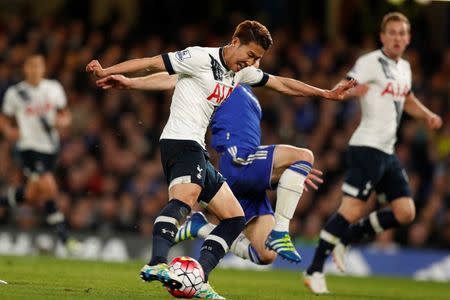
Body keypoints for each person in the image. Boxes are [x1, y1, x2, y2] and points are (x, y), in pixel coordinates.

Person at [87, 20, 355, 299]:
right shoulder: (199, 56)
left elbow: (280, 83)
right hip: (180, 142)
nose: (252, 62)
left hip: (197, 147)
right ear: (235, 42)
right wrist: (110, 70)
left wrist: (323, 93)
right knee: (184, 200)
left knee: (234, 217)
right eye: (251, 55)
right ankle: (156, 262)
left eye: (258, 59)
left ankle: (199, 277)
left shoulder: (239, 74)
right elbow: (155, 63)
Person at [304, 12, 443, 294]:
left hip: (387, 152)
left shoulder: (404, 67)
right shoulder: (370, 62)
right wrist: (348, 90)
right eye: (391, 32)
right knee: (352, 208)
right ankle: (314, 269)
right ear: (382, 37)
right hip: (366, 147)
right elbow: (349, 83)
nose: (397, 38)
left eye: (402, 33)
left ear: (408, 38)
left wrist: (427, 115)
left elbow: (407, 98)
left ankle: (347, 238)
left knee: (405, 212)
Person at [0, 54, 80, 254]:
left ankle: (3, 200)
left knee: (32, 194)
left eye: (39, 66)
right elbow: (4, 118)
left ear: (44, 69)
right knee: (48, 185)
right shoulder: (15, 93)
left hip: (50, 148)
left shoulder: (53, 88)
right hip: (28, 148)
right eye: (31, 66)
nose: (35, 70)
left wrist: (63, 122)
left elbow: (65, 115)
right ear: (25, 68)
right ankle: (64, 236)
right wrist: (9, 131)